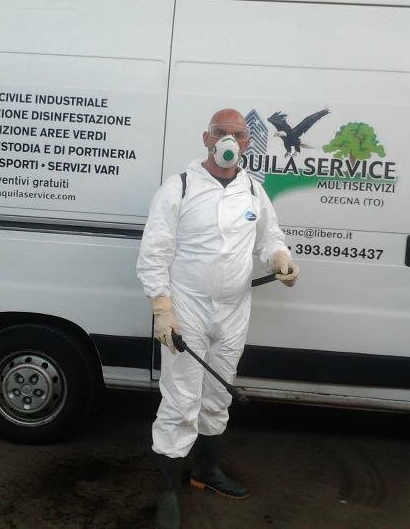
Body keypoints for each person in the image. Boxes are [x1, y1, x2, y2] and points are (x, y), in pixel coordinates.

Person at [136, 108, 299, 529]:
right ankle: (168, 489)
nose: (229, 141)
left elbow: (269, 237)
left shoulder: (252, 190)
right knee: (180, 399)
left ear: (247, 143)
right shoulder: (179, 187)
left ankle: (206, 471)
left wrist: (279, 258)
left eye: (238, 135)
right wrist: (162, 309)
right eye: (221, 133)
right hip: (186, 310)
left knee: (218, 393)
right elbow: (154, 252)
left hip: (233, 311)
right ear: (206, 139)